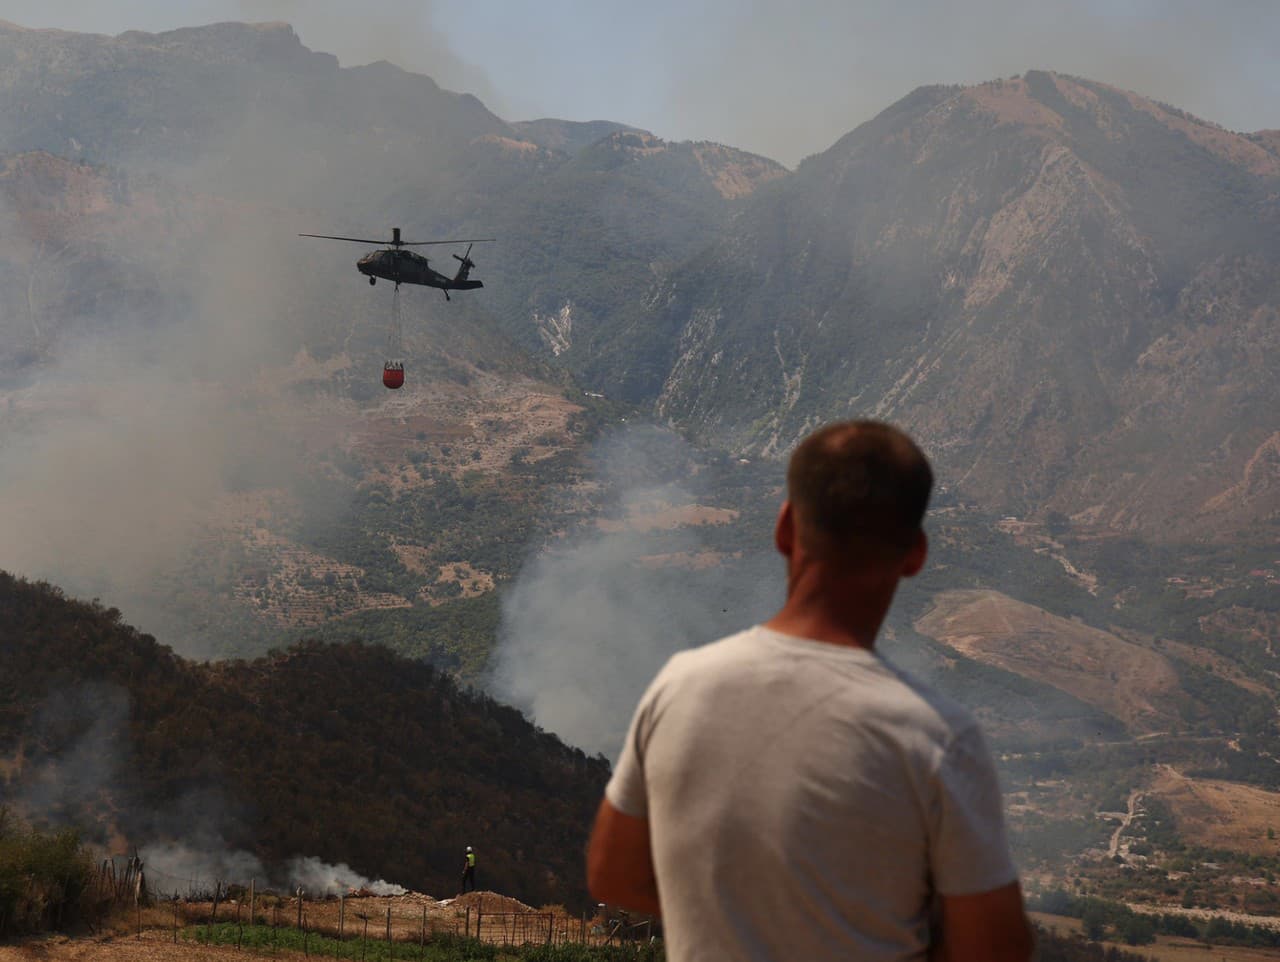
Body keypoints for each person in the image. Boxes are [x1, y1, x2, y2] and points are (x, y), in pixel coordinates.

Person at [587, 420, 1033, 962]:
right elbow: (994, 949)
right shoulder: (937, 737)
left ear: (784, 529)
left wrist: (730, 916)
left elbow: (612, 875)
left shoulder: (680, 686)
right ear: (915, 554)